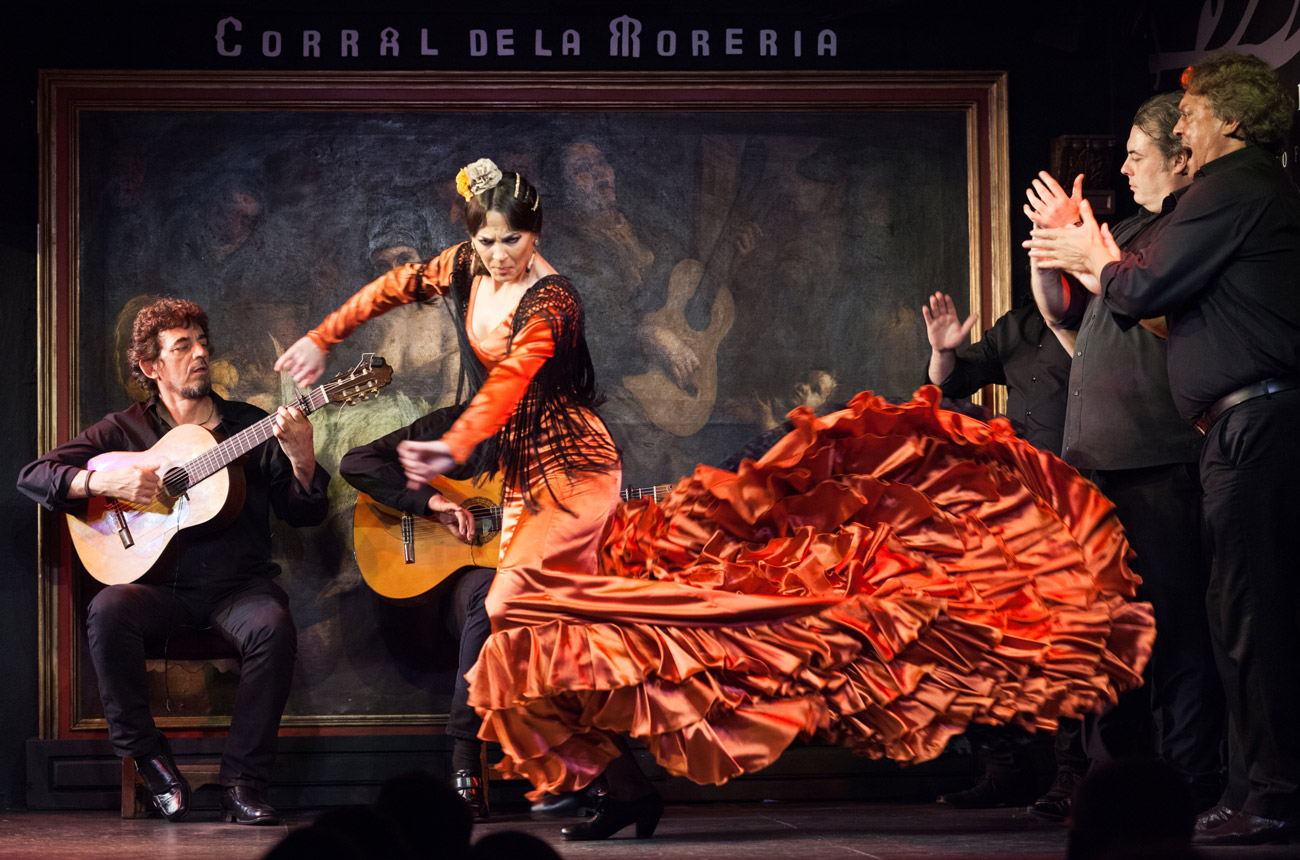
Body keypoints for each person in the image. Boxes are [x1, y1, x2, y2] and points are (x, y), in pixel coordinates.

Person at [275, 158, 653, 842]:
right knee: (540, 639)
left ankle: (551, 771)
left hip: (567, 466)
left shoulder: (554, 302)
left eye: (513, 241)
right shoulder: (463, 263)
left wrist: (451, 450)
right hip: (509, 458)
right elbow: (394, 287)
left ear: (535, 237)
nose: (499, 256)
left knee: (509, 613)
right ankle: (621, 786)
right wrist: (322, 336)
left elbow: (508, 386)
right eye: (487, 242)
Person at [1026, 52, 1300, 846]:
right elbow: (1134, 301)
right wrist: (1087, 259)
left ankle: (1267, 796)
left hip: (1252, 428)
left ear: (1234, 121)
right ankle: (1259, 792)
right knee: (1235, 619)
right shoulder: (1227, 196)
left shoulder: (1234, 187)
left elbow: (1142, 291)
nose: (1182, 127)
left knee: (1247, 622)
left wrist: (1097, 258)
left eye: (1192, 113)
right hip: (1238, 430)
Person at [16, 297, 330, 825]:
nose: (199, 353)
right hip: (159, 592)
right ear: (151, 367)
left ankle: (243, 783)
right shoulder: (124, 431)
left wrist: (301, 458)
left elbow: (304, 513)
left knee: (272, 626)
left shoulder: (252, 426)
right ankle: (150, 761)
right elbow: (34, 476)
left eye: (202, 342)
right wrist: (100, 481)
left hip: (239, 588)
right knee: (108, 610)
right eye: (182, 346)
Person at [1025, 92, 1224, 813]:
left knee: (1173, 632)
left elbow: (1169, 317)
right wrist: (1055, 249)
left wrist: (1090, 255)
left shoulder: (1192, 230)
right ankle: (1118, 792)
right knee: (1110, 637)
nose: (1126, 168)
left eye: (1139, 155)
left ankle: (1192, 786)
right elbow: (1060, 316)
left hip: (1158, 460)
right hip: (1094, 466)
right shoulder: (1132, 229)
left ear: (1180, 155)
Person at [922, 294, 1086, 814]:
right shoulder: (1016, 325)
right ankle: (1005, 772)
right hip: (1019, 503)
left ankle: (1074, 774)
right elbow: (950, 382)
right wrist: (944, 352)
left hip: (1083, 494)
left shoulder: (1102, 313)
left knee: (1071, 638)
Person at [338, 403, 496, 819]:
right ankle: (465, 756)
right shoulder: (461, 420)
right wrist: (435, 503)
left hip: (528, 580)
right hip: (451, 590)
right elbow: (358, 462)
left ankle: (594, 769)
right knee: (492, 595)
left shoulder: (560, 438)